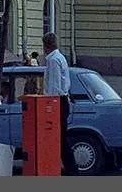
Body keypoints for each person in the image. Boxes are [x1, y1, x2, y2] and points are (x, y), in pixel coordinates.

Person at [42, 32, 75, 175]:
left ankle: (71, 170)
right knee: (60, 138)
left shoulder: (53, 60)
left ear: (46, 46)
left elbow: (53, 86)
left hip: (57, 102)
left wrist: (49, 106)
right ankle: (68, 169)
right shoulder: (60, 57)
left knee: (60, 139)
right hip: (62, 101)